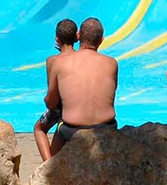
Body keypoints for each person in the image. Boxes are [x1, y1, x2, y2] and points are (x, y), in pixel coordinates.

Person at [44, 18, 118, 156]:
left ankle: (49, 168)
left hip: (72, 131)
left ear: (78, 36)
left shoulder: (60, 63)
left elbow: (51, 103)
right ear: (101, 40)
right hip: (108, 128)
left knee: (53, 154)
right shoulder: (112, 63)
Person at [33, 19, 78, 162]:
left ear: (57, 38)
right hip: (78, 104)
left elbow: (52, 96)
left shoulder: (52, 60)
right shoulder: (82, 57)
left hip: (60, 109)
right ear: (77, 37)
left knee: (39, 128)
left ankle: (47, 164)